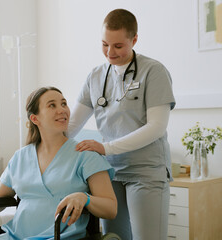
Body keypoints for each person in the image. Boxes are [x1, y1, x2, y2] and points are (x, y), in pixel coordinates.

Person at [68, 9, 175, 240]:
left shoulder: (153, 71)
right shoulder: (95, 76)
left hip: (145, 171)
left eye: (118, 46)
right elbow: (72, 124)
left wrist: (106, 148)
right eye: (105, 44)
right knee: (114, 238)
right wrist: (41, 141)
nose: (110, 52)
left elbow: (156, 126)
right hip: (109, 173)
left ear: (134, 39)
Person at [0, 86, 117, 239]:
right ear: (35, 119)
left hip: (61, 237)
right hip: (16, 236)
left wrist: (85, 198)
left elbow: (111, 208)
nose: (62, 110)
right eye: (52, 105)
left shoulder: (86, 154)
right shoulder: (20, 157)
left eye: (64, 104)